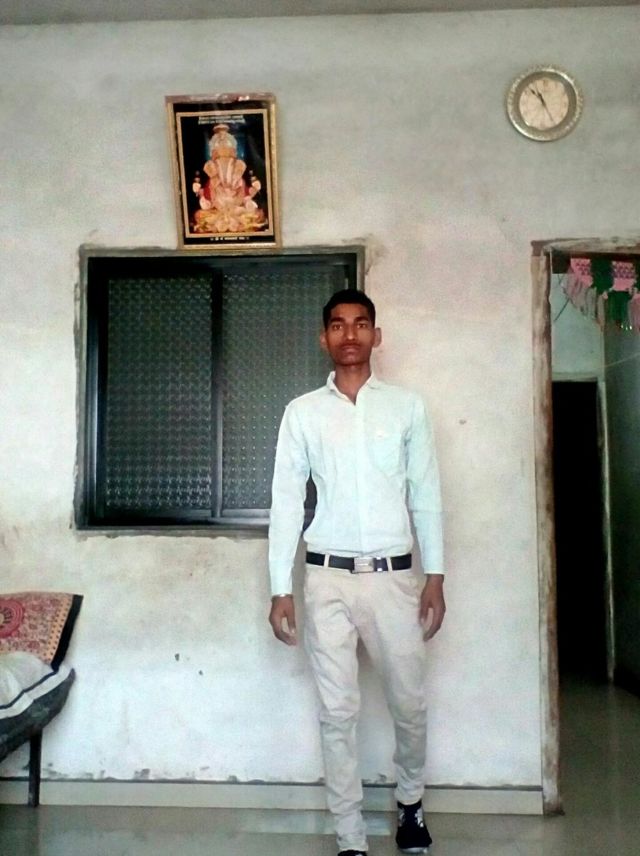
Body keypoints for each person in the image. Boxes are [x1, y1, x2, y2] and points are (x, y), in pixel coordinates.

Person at [268, 289, 445, 856]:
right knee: (337, 712)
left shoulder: (406, 408)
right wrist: (280, 588)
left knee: (409, 704)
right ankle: (349, 835)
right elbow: (286, 503)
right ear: (324, 337)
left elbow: (426, 494)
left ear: (376, 335)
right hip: (327, 580)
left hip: (394, 579)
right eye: (339, 325)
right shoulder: (302, 412)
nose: (350, 334)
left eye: (361, 324)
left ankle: (410, 804)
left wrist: (436, 574)